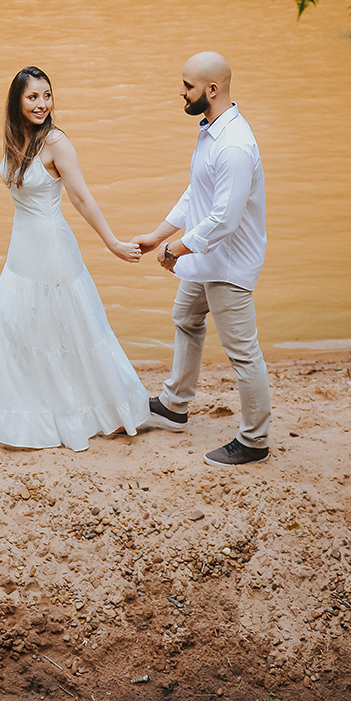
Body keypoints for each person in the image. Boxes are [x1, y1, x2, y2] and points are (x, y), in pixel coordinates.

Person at [0, 65, 150, 451]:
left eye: (47, 95)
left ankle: (83, 410)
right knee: (20, 326)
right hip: (22, 248)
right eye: (33, 96)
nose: (42, 104)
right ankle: (28, 410)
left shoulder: (56, 142)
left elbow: (81, 197)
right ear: (17, 101)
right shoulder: (17, 140)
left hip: (52, 248)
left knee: (68, 330)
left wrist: (113, 243)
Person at [138, 51, 271, 466]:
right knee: (186, 317)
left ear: (212, 90)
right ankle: (174, 405)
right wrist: (158, 236)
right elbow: (196, 193)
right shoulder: (212, 130)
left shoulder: (234, 146)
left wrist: (176, 249)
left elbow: (223, 220)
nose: (181, 92)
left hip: (229, 264)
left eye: (187, 85)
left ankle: (255, 441)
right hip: (207, 257)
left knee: (243, 353)